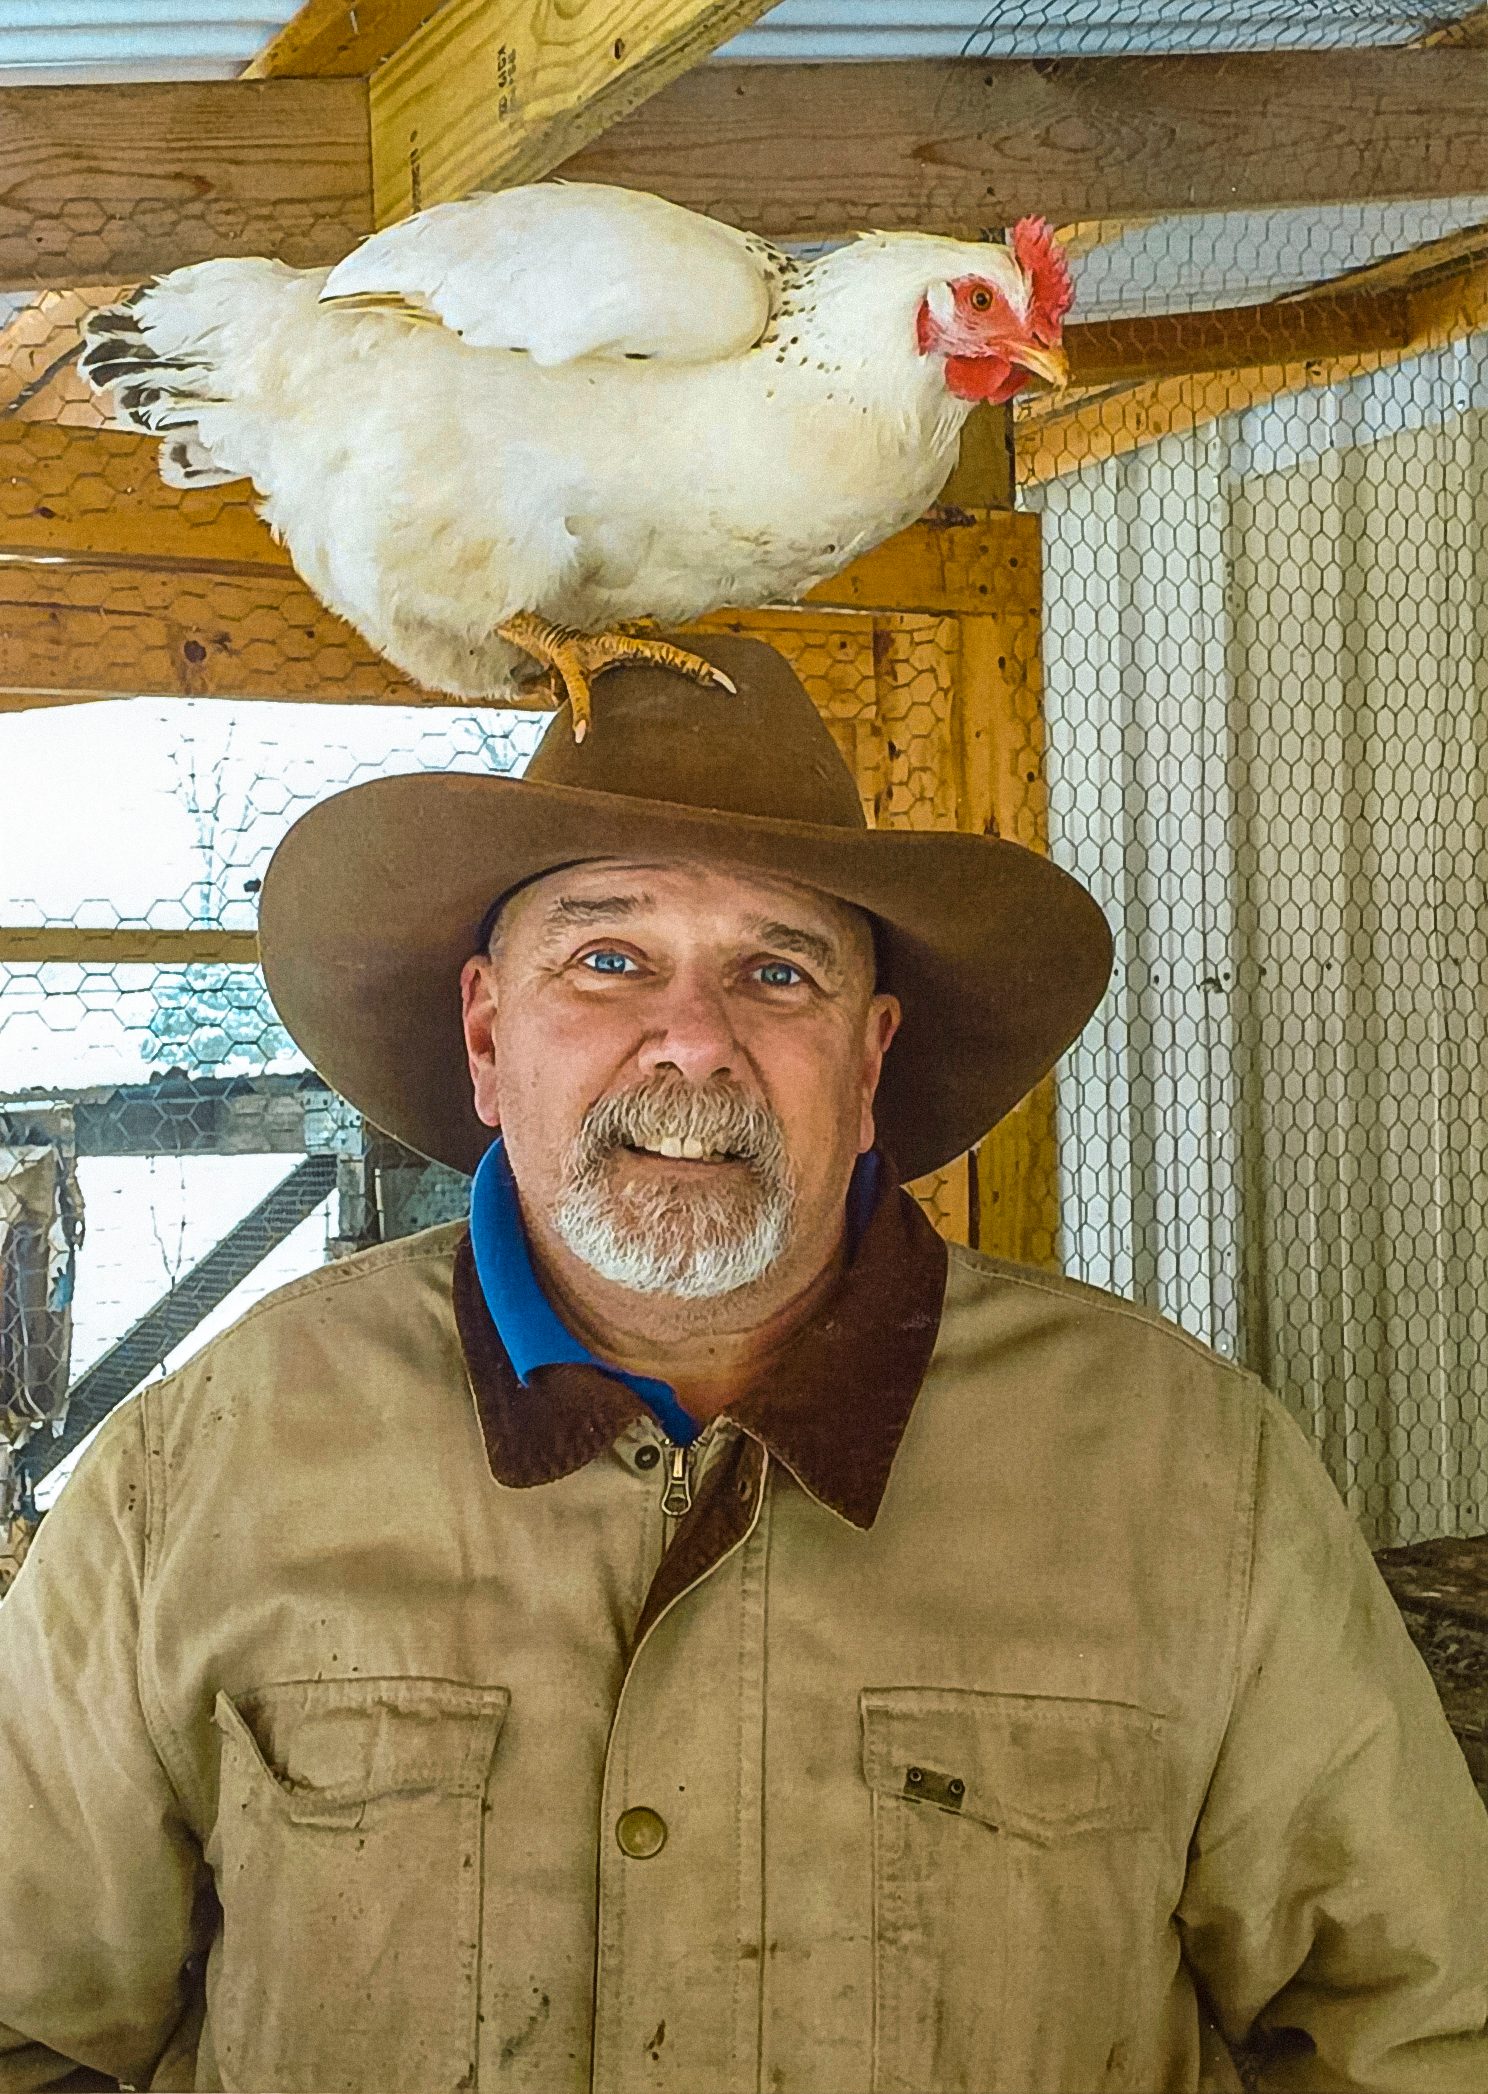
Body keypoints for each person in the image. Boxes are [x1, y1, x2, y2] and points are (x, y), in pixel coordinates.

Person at [0, 638, 1483, 2094]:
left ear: (871, 1053)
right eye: (607, 956)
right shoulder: (200, 1471)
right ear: (485, 1031)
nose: (693, 1042)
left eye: (777, 970)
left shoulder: (1190, 1477)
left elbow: (1415, 2032)